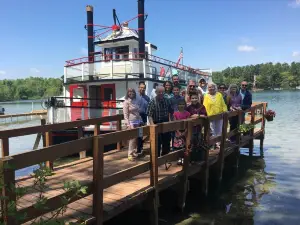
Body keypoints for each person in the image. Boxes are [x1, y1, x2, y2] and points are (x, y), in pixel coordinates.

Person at [147, 86, 174, 156]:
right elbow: (149, 115)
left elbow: (171, 112)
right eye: (159, 92)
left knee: (167, 142)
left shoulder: (167, 100)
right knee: (157, 143)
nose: (161, 93)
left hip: (165, 122)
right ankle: (156, 159)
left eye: (162, 92)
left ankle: (165, 158)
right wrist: (152, 125)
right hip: (156, 123)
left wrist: (171, 122)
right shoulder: (152, 102)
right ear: (156, 92)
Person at [123, 88, 147, 161]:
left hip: (138, 121)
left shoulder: (136, 100)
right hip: (131, 122)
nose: (131, 93)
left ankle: (134, 151)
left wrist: (142, 121)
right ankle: (129, 154)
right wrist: (128, 124)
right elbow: (125, 114)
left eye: (132, 92)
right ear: (127, 93)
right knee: (132, 138)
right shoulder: (126, 102)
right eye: (129, 92)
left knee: (138, 137)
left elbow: (138, 112)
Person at [203, 83, 228, 149]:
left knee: (219, 130)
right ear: (208, 88)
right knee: (212, 130)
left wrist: (225, 111)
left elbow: (223, 104)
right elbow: (204, 106)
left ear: (215, 87)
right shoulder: (206, 95)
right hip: (210, 116)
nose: (211, 88)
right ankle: (214, 144)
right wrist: (205, 115)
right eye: (209, 87)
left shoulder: (219, 94)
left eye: (212, 87)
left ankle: (219, 143)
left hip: (219, 115)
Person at [186, 93, 207, 161]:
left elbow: (205, 115)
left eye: (195, 98)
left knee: (198, 143)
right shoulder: (188, 107)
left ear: (198, 99)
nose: (194, 99)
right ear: (190, 99)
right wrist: (191, 116)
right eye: (192, 98)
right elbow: (186, 116)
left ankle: (197, 159)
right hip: (190, 129)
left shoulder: (201, 106)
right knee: (190, 143)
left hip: (199, 128)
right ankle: (190, 159)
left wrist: (198, 116)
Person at [173, 99, 191, 165]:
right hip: (177, 132)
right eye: (180, 104)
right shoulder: (175, 113)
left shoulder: (187, 113)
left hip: (185, 132)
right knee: (178, 146)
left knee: (184, 146)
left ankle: (184, 158)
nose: (181, 106)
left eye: (183, 104)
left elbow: (188, 124)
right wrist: (178, 132)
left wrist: (185, 132)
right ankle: (179, 158)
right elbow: (175, 124)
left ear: (185, 105)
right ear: (178, 106)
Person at [137, 81, 150, 153]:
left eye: (144, 88)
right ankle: (135, 148)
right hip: (136, 117)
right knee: (135, 133)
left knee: (140, 133)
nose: (142, 89)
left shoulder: (147, 98)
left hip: (143, 117)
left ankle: (139, 148)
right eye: (141, 87)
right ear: (138, 88)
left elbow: (149, 109)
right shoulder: (135, 96)